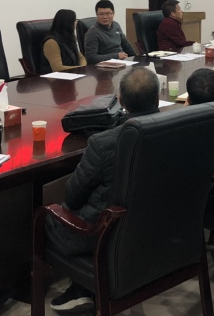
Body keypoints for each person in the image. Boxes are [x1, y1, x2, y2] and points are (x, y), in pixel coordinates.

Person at [46, 68, 160, 312]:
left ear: (121, 101)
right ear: (158, 99)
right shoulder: (175, 126)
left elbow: (72, 197)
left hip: (106, 233)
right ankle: (82, 286)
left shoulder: (103, 143)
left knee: (46, 213)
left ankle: (81, 285)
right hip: (154, 225)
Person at [40, 9, 87, 74]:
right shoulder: (51, 42)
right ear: (68, 24)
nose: (76, 24)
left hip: (71, 74)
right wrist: (79, 68)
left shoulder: (69, 38)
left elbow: (81, 58)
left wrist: (81, 67)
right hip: (55, 78)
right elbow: (57, 68)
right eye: (74, 21)